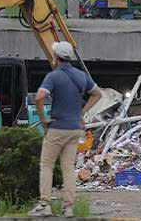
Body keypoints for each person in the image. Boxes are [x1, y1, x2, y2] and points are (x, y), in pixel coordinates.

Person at [29, 42, 103, 217]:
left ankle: (44, 204)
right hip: (75, 129)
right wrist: (81, 112)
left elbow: (39, 97)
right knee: (68, 167)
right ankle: (68, 207)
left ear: (56, 57)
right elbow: (97, 94)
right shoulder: (80, 75)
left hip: (57, 127)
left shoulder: (54, 76)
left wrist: (43, 119)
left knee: (46, 165)